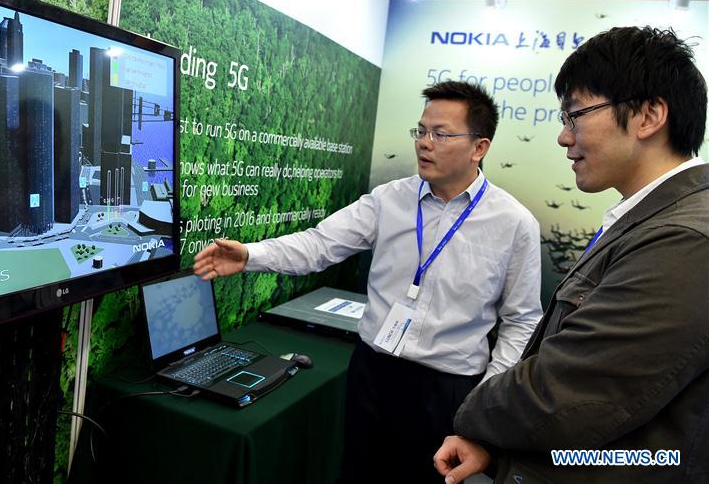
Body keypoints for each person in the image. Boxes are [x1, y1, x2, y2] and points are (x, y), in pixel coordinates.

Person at [194, 81, 543, 482]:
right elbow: (319, 245)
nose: (424, 144)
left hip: (448, 389)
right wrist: (252, 255)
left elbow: (521, 321)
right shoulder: (389, 199)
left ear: (479, 147)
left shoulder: (513, 224)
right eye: (421, 131)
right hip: (373, 374)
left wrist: (486, 400)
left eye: (441, 134)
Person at [435, 26, 709, 483]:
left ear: (649, 115)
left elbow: (569, 395)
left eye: (575, 116)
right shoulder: (654, 219)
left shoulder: (684, 239)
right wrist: (498, 448)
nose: (564, 138)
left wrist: (471, 413)